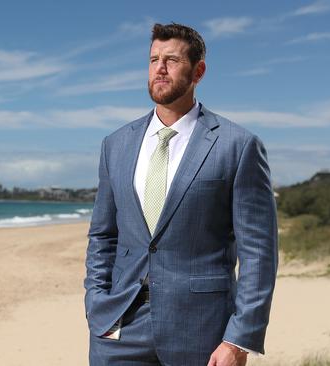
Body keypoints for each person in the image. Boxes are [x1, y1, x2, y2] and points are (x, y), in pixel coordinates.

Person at [84, 23, 278, 366]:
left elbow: (259, 253)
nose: (160, 68)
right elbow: (103, 235)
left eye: (171, 60)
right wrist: (96, 302)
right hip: (118, 330)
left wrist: (238, 340)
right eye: (154, 59)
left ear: (198, 71)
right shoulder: (115, 145)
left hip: (201, 333)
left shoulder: (237, 145)